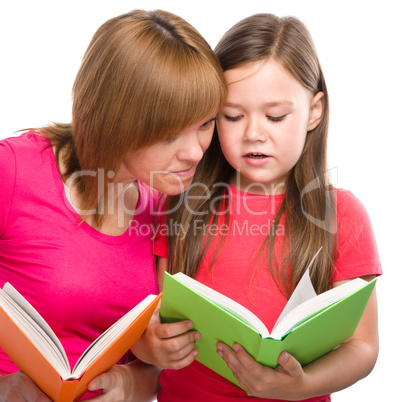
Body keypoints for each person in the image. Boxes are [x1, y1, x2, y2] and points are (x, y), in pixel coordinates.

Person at [145, 13, 382, 401]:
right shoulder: (182, 203)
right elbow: (155, 316)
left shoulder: (342, 214)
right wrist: (152, 343)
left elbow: (364, 347)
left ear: (315, 110)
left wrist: (301, 386)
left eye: (275, 116)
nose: (253, 133)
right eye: (233, 116)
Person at [0, 8, 226, 401]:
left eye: (205, 123)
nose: (195, 151)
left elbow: (157, 372)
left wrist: (133, 380)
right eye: (171, 133)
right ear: (116, 120)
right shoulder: (14, 170)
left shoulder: (165, 207)